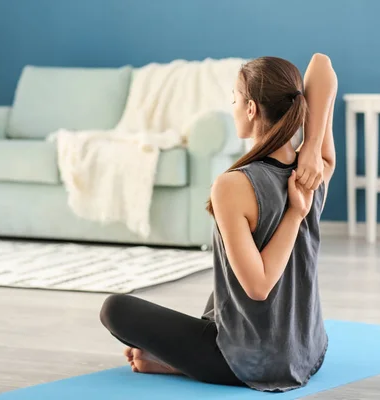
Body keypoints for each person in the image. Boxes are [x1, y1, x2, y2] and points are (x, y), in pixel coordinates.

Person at [99, 54, 337, 392]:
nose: (234, 107)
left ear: (252, 108)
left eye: (235, 100)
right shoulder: (314, 171)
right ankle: (183, 359)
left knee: (115, 309)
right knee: (228, 278)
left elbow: (259, 286)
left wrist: (294, 215)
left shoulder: (233, 185)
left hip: (254, 361)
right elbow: (322, 65)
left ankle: (182, 364)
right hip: (309, 351)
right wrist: (311, 145)